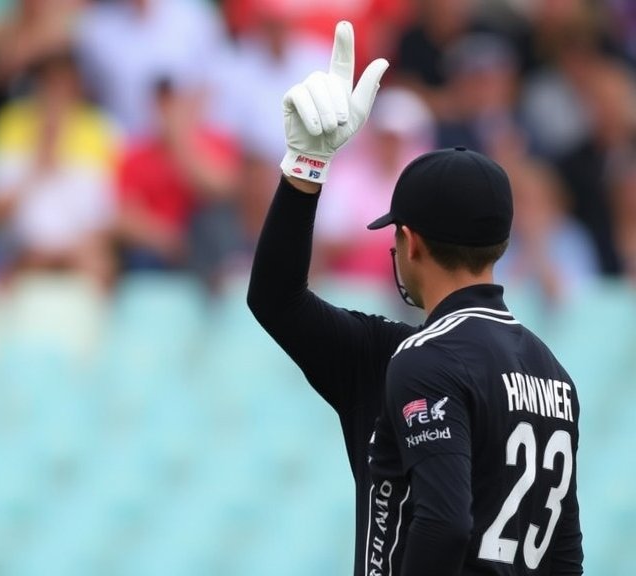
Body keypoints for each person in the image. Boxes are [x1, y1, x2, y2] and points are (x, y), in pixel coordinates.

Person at [250, 21, 583, 575]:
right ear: (499, 243)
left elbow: (444, 523)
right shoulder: (555, 375)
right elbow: (566, 555)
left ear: (410, 242)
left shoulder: (414, 360)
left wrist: (306, 167)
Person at [246, 21, 413, 576]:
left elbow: (276, 300)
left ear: (408, 244)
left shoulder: (390, 355)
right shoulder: (545, 370)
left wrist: (305, 167)